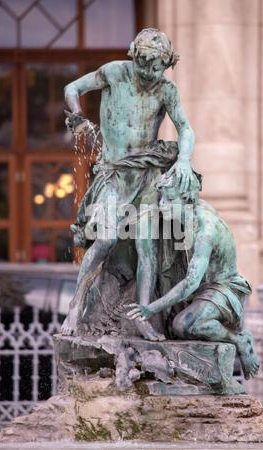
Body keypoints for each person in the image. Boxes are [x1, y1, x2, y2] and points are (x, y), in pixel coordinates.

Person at [61, 28, 195, 339]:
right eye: (145, 64)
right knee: (106, 239)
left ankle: (142, 315)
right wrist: (77, 116)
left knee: (146, 248)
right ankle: (76, 306)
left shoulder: (166, 90)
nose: (151, 72)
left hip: (146, 176)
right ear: (134, 56)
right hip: (115, 174)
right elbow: (72, 87)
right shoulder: (113, 73)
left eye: (158, 66)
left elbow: (185, 129)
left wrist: (185, 160)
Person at [127, 172, 260, 380]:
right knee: (172, 327)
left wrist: (151, 307)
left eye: (170, 199)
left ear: (187, 200)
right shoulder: (188, 215)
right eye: (162, 198)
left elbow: (190, 282)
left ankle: (240, 340)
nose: (163, 204)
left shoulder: (205, 230)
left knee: (183, 325)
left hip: (224, 289)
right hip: (203, 289)